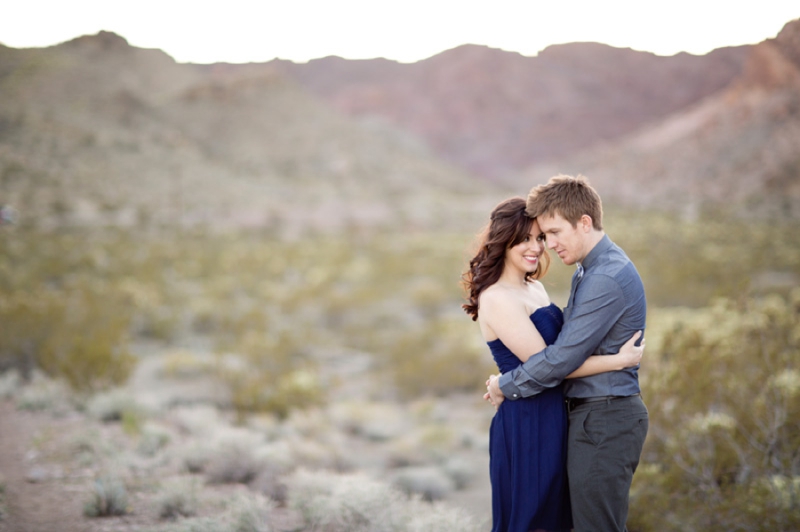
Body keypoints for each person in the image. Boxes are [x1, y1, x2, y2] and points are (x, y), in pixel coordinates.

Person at [463, 196, 644, 532]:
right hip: (528, 421)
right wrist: (616, 361)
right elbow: (553, 364)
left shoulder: (535, 288)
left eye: (540, 238)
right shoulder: (497, 298)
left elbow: (560, 355)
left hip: (556, 417)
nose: (536, 248)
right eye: (524, 239)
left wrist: (504, 382)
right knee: (534, 521)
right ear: (504, 242)